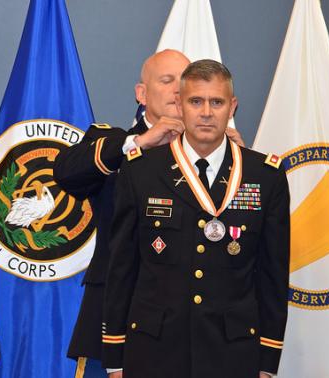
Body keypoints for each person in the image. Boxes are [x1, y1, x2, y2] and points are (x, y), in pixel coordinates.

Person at [53, 50, 244, 371]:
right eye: (167, 80)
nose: (176, 90)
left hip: (195, 322)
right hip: (118, 316)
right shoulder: (114, 141)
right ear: (141, 93)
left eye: (184, 82)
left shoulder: (220, 152)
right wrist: (138, 143)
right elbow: (66, 172)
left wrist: (234, 161)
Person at [102, 60, 290, 378]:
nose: (206, 112)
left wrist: (267, 361)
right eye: (195, 101)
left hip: (233, 352)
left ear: (232, 106)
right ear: (179, 105)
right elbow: (121, 268)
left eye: (216, 102)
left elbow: (272, 276)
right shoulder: (141, 171)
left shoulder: (265, 175)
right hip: (153, 350)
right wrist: (115, 357)